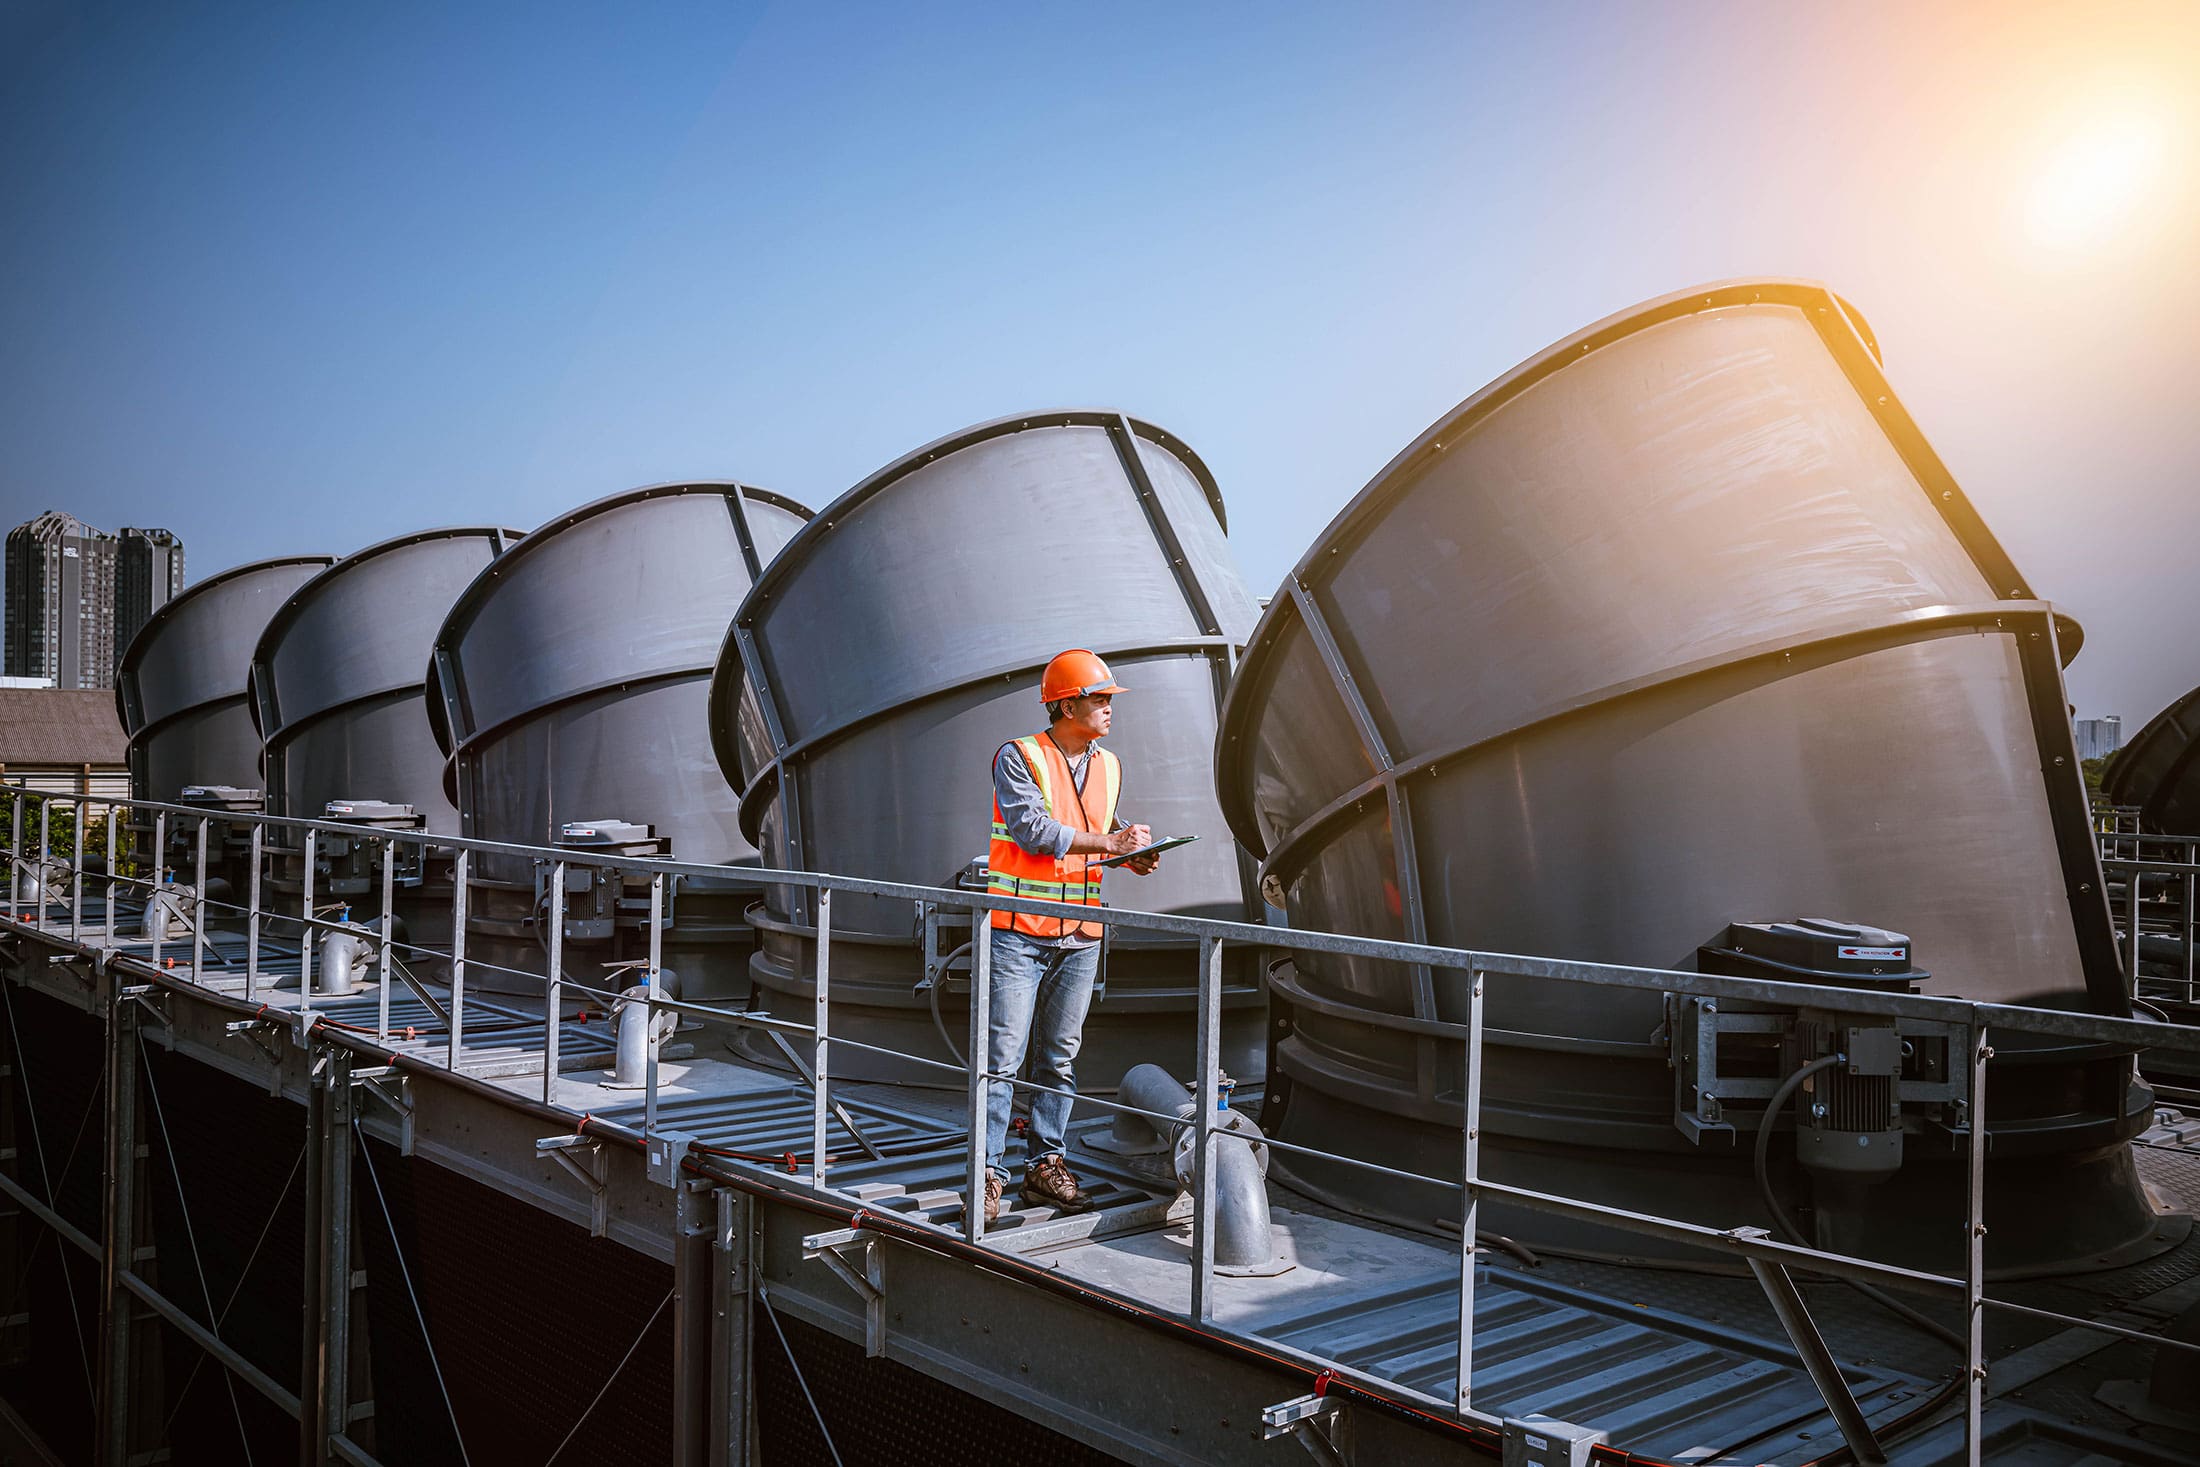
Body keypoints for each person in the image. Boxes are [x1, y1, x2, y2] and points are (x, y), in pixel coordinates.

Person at [980, 649, 1161, 1221]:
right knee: (1002, 1060)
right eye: (1099, 699)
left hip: (1080, 934)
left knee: (1059, 1058)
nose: (1109, 709)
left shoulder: (1109, 765)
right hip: (1020, 932)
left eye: (1109, 699)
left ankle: (1044, 1167)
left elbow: (1096, 831)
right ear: (1065, 704)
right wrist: (1110, 845)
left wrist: (1132, 853)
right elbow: (1033, 832)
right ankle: (987, 1174)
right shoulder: (1019, 757)